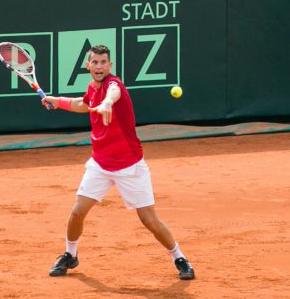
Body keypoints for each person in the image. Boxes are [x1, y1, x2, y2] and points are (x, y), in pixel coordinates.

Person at [42, 45, 195, 280]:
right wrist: (57, 101)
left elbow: (113, 92)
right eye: (95, 62)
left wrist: (107, 103)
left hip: (130, 166)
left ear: (110, 66)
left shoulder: (115, 85)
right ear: (88, 66)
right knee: (76, 213)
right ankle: (70, 255)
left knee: (149, 220)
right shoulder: (92, 88)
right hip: (100, 164)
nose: (100, 66)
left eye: (104, 62)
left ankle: (180, 258)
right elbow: (82, 104)